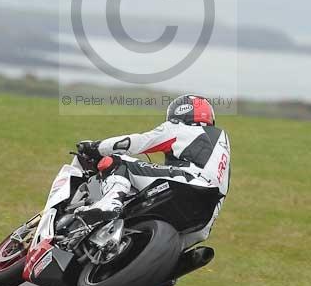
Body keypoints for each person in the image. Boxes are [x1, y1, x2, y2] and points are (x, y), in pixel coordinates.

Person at [74, 95, 230, 270]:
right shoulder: (222, 147)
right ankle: (168, 273)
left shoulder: (182, 128)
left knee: (119, 162)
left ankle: (109, 204)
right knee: (170, 261)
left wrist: (96, 147)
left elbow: (136, 142)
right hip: (205, 216)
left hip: (186, 183)